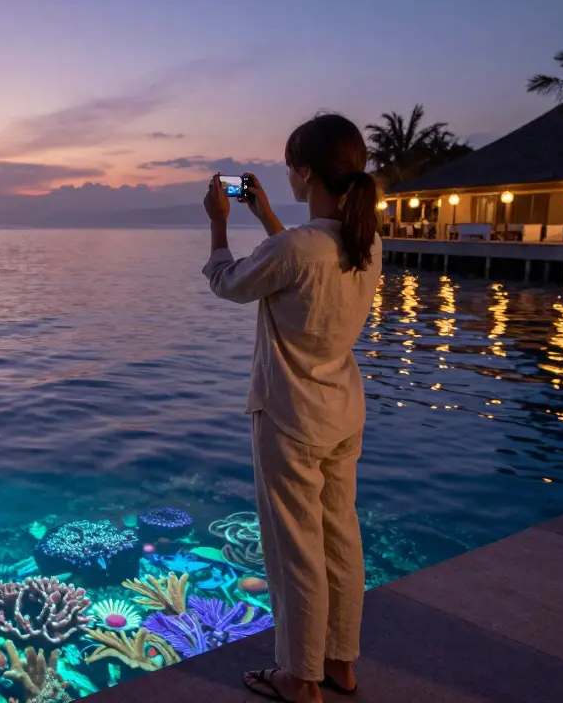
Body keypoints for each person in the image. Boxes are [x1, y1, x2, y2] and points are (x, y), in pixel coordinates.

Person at [200, 112, 382, 703]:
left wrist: (220, 225)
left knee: (296, 550)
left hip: (290, 417)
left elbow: (228, 282)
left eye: (290, 171)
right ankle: (341, 665)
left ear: (303, 174)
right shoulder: (365, 242)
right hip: (342, 412)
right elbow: (301, 261)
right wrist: (265, 217)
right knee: (341, 541)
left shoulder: (296, 247)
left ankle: (300, 678)